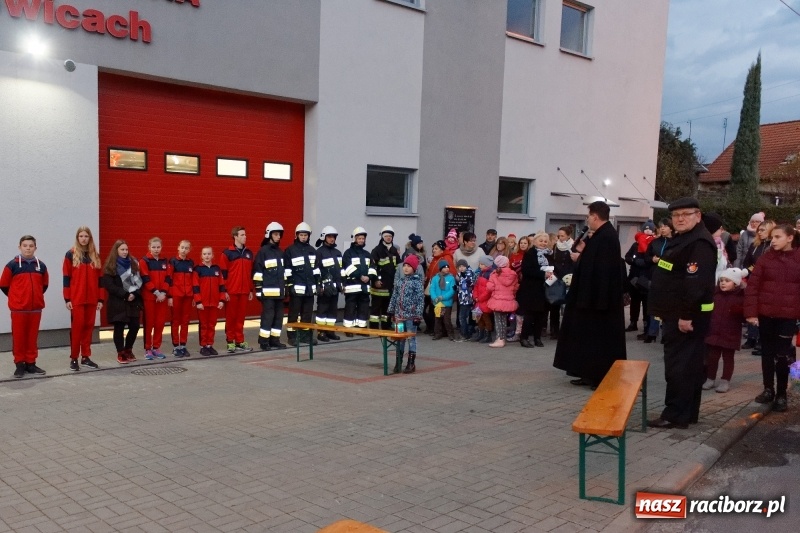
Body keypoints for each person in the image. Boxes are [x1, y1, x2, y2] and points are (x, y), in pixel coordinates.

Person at [647, 197, 717, 429]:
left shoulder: (699, 242)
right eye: (676, 215)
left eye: (686, 214)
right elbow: (674, 271)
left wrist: (686, 316)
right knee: (687, 367)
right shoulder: (684, 238)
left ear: (698, 216)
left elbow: (695, 284)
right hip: (675, 313)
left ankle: (675, 415)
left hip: (684, 317)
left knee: (679, 368)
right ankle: (686, 413)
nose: (680, 219)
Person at [553, 201, 627, 389]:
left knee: (599, 340)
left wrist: (580, 258)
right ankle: (586, 373)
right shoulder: (600, 235)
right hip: (590, 298)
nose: (587, 220)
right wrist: (584, 253)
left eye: (588, 216)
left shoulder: (607, 237)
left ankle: (599, 376)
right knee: (587, 337)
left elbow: (602, 269)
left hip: (599, 300)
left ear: (595, 216)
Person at [744, 224, 800, 412]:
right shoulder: (766, 258)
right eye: (772, 237)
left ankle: (782, 394)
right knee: (767, 353)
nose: (773, 241)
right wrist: (751, 313)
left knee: (782, 355)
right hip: (766, 314)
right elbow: (753, 286)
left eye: (777, 237)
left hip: (788, 316)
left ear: (790, 238)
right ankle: (768, 389)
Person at [1, 235, 49, 378]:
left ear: (35, 248)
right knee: (19, 337)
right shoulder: (12, 265)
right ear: (20, 247)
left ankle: (31, 363)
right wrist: (17, 298)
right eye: (25, 246)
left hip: (35, 309)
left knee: (32, 338)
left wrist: (35, 297)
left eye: (31, 246)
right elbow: (3, 285)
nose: (28, 248)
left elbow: (44, 285)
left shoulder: (41, 266)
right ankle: (19, 364)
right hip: (18, 310)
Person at [62, 226, 104, 371]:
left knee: (88, 328)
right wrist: (67, 299)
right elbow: (66, 278)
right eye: (81, 236)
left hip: (92, 299)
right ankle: (74, 358)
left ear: (90, 238)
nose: (84, 239)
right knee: (77, 329)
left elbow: (101, 279)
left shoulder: (95, 255)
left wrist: (100, 299)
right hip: (77, 299)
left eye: (86, 236)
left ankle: (85, 357)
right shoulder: (70, 254)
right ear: (77, 238)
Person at [703, 267, 747, 393]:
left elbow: (745, 315)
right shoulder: (715, 294)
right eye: (721, 280)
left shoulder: (740, 297)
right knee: (712, 357)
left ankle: (725, 380)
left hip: (730, 333)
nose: (723, 283)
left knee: (728, 358)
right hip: (714, 331)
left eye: (727, 281)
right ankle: (710, 378)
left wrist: (740, 311)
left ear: (735, 283)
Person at [100, 240, 143, 365]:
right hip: (118, 302)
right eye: (122, 250)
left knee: (135, 327)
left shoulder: (134, 264)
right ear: (116, 251)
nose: (125, 252)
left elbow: (139, 282)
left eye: (126, 250)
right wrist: (125, 294)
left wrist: (134, 294)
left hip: (133, 302)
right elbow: (109, 285)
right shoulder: (111, 266)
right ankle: (121, 352)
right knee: (119, 328)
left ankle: (128, 349)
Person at [741, 220, 775, 352]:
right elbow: (747, 262)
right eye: (758, 230)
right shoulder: (755, 245)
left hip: (766, 283)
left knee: (763, 311)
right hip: (753, 280)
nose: (759, 232)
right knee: (751, 307)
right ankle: (751, 337)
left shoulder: (773, 246)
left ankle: (762, 339)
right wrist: (750, 271)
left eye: (762, 230)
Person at [253, 222, 287, 351]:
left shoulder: (280, 252)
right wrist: (258, 290)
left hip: (279, 293)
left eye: (279, 234)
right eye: (276, 234)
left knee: (278, 318)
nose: (278, 237)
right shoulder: (263, 252)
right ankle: (264, 341)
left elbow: (284, 273)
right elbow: (257, 272)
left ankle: (275, 340)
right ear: (269, 235)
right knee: (268, 318)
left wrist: (285, 289)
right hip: (267, 293)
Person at [387, 255, 424, 374]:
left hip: (411, 317)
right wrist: (391, 310)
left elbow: (420, 300)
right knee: (400, 338)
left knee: (411, 338)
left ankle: (411, 363)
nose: (406, 268)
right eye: (405, 266)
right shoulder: (400, 281)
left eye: (409, 266)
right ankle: (398, 362)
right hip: (399, 316)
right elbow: (394, 296)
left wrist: (418, 315)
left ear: (414, 268)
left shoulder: (417, 282)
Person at [220, 226, 254, 353]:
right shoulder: (227, 253)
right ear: (235, 236)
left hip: (244, 291)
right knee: (231, 318)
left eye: (245, 234)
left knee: (240, 318)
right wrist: (224, 291)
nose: (245, 237)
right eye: (242, 235)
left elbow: (250, 273)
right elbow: (223, 274)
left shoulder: (249, 253)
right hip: (231, 291)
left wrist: (250, 290)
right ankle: (230, 342)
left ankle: (240, 341)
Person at [284, 222, 317, 346]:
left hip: (309, 290)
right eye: (301, 235)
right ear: (297, 235)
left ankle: (305, 336)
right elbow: (287, 270)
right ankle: (292, 337)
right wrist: (289, 285)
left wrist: (317, 284)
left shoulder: (312, 250)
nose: (303, 237)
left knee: (307, 314)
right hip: (296, 289)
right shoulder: (290, 250)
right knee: (293, 314)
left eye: (305, 235)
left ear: (309, 236)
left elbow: (316, 270)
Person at [517, 232, 553, 348]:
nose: (543, 243)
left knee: (541, 315)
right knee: (529, 315)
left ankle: (537, 338)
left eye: (545, 241)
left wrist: (551, 277)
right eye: (541, 241)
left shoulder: (549, 254)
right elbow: (526, 270)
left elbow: (553, 269)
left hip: (544, 288)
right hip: (531, 289)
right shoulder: (530, 253)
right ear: (535, 241)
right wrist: (543, 274)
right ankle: (524, 338)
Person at [642, 219, 674, 343]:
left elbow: (675, 263)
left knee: (667, 308)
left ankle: (666, 334)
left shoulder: (675, 243)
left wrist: (660, 262)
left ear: (671, 228)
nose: (662, 228)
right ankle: (652, 333)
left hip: (669, 279)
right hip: (655, 278)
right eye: (661, 226)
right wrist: (652, 260)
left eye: (665, 226)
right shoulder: (654, 242)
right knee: (654, 307)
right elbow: (646, 258)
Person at [139, 237, 169, 360]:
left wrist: (163, 293)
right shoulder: (144, 261)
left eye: (158, 247)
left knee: (160, 323)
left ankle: (156, 347)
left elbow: (168, 278)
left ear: (161, 247)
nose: (156, 249)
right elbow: (145, 279)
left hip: (162, 298)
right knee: (149, 323)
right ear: (149, 247)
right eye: (153, 247)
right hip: (150, 298)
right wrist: (156, 293)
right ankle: (148, 349)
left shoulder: (164, 261)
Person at [193, 246, 226, 356]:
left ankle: (209, 345)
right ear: (201, 256)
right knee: (204, 325)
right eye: (204, 254)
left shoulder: (217, 269)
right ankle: (203, 346)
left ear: (212, 255)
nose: (207, 256)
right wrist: (198, 301)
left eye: (209, 254)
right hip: (203, 303)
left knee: (212, 325)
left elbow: (221, 286)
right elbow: (195, 287)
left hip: (214, 303)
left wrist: (221, 300)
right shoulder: (198, 269)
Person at [624, 220, 656, 333]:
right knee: (634, 302)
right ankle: (633, 322)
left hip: (646, 278)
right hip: (634, 277)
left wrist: (644, 262)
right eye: (645, 229)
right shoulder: (635, 245)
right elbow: (627, 257)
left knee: (646, 303)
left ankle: (646, 325)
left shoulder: (654, 244)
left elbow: (652, 260)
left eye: (650, 229)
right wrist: (634, 261)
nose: (647, 231)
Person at [369, 226, 401, 330]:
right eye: (386, 236)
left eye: (390, 236)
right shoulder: (377, 250)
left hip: (390, 285)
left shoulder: (394, 250)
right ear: (382, 237)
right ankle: (373, 328)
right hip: (379, 285)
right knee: (376, 308)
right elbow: (373, 268)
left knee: (387, 309)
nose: (388, 238)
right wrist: (376, 280)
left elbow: (398, 266)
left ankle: (385, 327)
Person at [342, 227, 372, 334]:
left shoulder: (367, 254)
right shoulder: (348, 253)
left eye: (363, 238)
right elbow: (348, 268)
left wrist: (369, 276)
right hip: (352, 286)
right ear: (354, 239)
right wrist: (361, 276)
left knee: (364, 307)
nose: (361, 240)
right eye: (359, 238)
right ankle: (348, 329)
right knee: (350, 308)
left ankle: (361, 328)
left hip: (364, 287)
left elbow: (373, 268)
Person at [315, 226, 343, 340]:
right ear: (324, 238)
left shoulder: (338, 253)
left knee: (333, 310)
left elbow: (340, 271)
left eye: (333, 237)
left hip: (335, 288)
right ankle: (321, 332)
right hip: (324, 288)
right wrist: (319, 286)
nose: (332, 239)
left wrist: (341, 284)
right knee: (322, 310)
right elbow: (316, 271)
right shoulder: (319, 252)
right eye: (329, 237)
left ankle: (330, 331)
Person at [168, 239, 194, 357]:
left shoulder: (190, 263)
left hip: (188, 296)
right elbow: (169, 279)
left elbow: (193, 280)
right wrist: (170, 296)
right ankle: (175, 346)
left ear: (189, 250)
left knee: (185, 321)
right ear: (178, 248)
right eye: (182, 247)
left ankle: (183, 345)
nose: (184, 250)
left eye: (186, 248)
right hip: (176, 295)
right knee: (175, 321)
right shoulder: (173, 261)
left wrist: (193, 296)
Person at [486, 255, 518, 348]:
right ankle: (503, 337)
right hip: (508, 300)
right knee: (504, 319)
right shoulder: (513, 274)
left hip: (497, 300)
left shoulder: (494, 274)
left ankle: (499, 339)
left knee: (498, 320)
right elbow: (515, 287)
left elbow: (490, 287)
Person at [424, 240, 454, 334]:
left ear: (442, 250)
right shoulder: (435, 258)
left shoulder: (446, 258)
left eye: (436, 248)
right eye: (433, 248)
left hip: (441, 291)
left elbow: (451, 273)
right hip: (431, 288)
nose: (434, 250)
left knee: (437, 311)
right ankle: (433, 328)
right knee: (430, 310)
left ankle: (438, 330)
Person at [551, 227, 575, 339]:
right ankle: (554, 330)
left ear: (568, 236)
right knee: (554, 304)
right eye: (559, 235)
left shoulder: (573, 246)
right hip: (556, 277)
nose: (560, 238)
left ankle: (567, 330)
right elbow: (553, 261)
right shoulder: (556, 246)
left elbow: (575, 263)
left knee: (566, 306)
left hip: (568, 277)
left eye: (562, 236)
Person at [429, 260, 457, 341]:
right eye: (444, 267)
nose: (447, 269)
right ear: (440, 268)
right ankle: (438, 333)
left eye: (448, 267)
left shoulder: (451, 278)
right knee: (437, 319)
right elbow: (432, 289)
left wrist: (443, 297)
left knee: (446, 319)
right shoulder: (435, 278)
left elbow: (452, 290)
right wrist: (434, 298)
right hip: (437, 303)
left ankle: (450, 333)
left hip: (447, 303)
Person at [471, 255, 495, 343]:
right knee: (479, 318)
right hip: (479, 301)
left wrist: (480, 298)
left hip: (485, 301)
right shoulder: (481, 273)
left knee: (486, 318)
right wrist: (475, 296)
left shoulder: (490, 274)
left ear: (487, 264)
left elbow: (488, 290)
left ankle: (488, 335)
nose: (480, 265)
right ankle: (480, 333)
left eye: (481, 264)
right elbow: (476, 286)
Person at [455, 259, 475, 341]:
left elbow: (470, 283)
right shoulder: (460, 274)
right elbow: (462, 286)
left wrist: (464, 277)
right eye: (459, 267)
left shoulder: (469, 273)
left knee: (462, 317)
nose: (461, 268)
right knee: (464, 316)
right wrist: (456, 288)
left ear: (466, 266)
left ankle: (465, 334)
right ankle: (466, 333)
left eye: (463, 266)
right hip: (462, 298)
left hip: (467, 299)